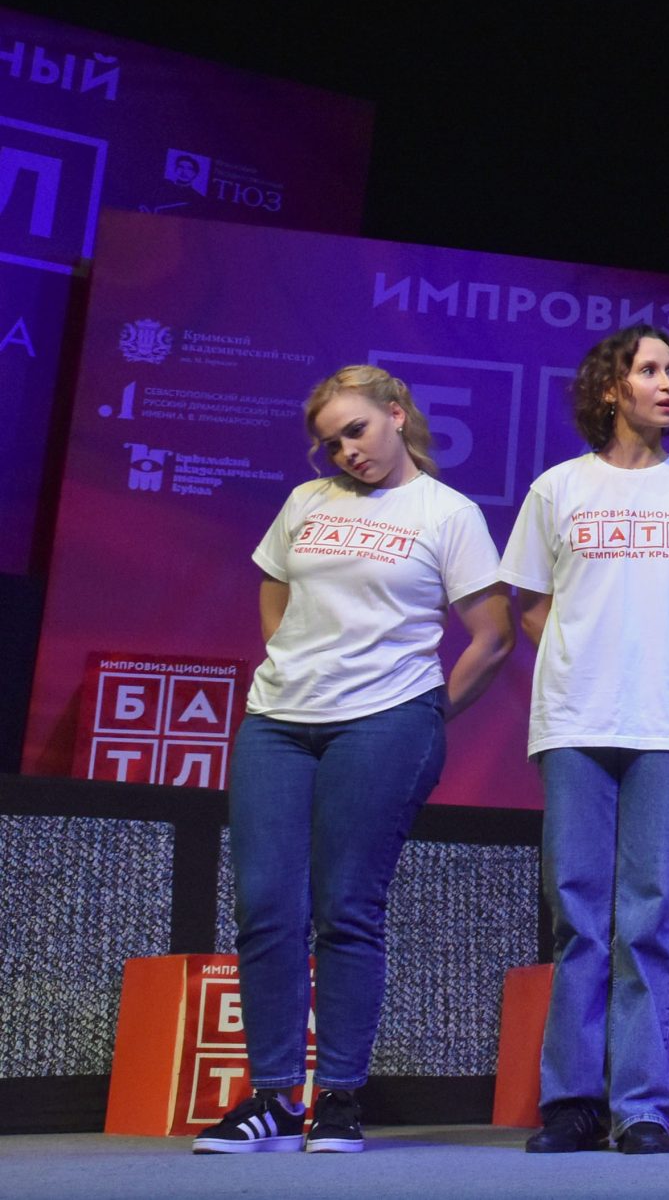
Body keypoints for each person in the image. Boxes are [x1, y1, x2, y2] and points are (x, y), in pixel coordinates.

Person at [195, 367, 513, 1154]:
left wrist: (425, 711)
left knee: (346, 908)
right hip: (278, 721)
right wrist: (293, 660)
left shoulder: (448, 513)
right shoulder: (307, 502)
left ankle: (338, 1096)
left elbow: (493, 634)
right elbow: (274, 588)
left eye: (357, 430)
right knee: (266, 907)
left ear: (396, 416)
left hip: (384, 723)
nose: (346, 451)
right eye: (332, 442)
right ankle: (273, 1099)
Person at [501, 325, 669, 1152]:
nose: (668, 384)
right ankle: (572, 1102)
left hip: (663, 724)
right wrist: (588, 661)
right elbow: (531, 606)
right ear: (611, 388)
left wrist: (649, 666)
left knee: (648, 917)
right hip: (573, 721)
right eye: (649, 370)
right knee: (578, 916)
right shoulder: (557, 488)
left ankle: (640, 1105)